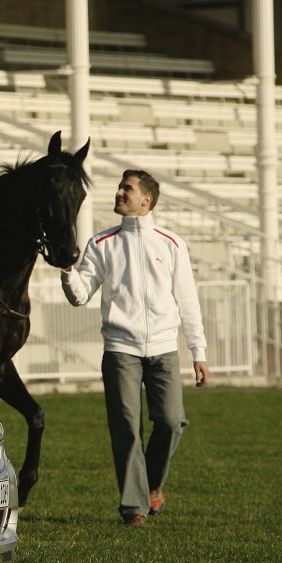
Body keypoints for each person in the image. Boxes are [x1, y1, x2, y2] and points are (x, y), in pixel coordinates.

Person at [61, 169, 209, 527]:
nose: (118, 192)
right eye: (119, 187)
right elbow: (80, 296)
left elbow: (187, 301)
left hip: (164, 349)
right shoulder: (101, 243)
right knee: (126, 428)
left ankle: (153, 486)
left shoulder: (171, 243)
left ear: (147, 200)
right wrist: (67, 272)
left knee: (171, 422)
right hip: (120, 350)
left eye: (127, 188)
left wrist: (198, 351)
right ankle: (133, 508)